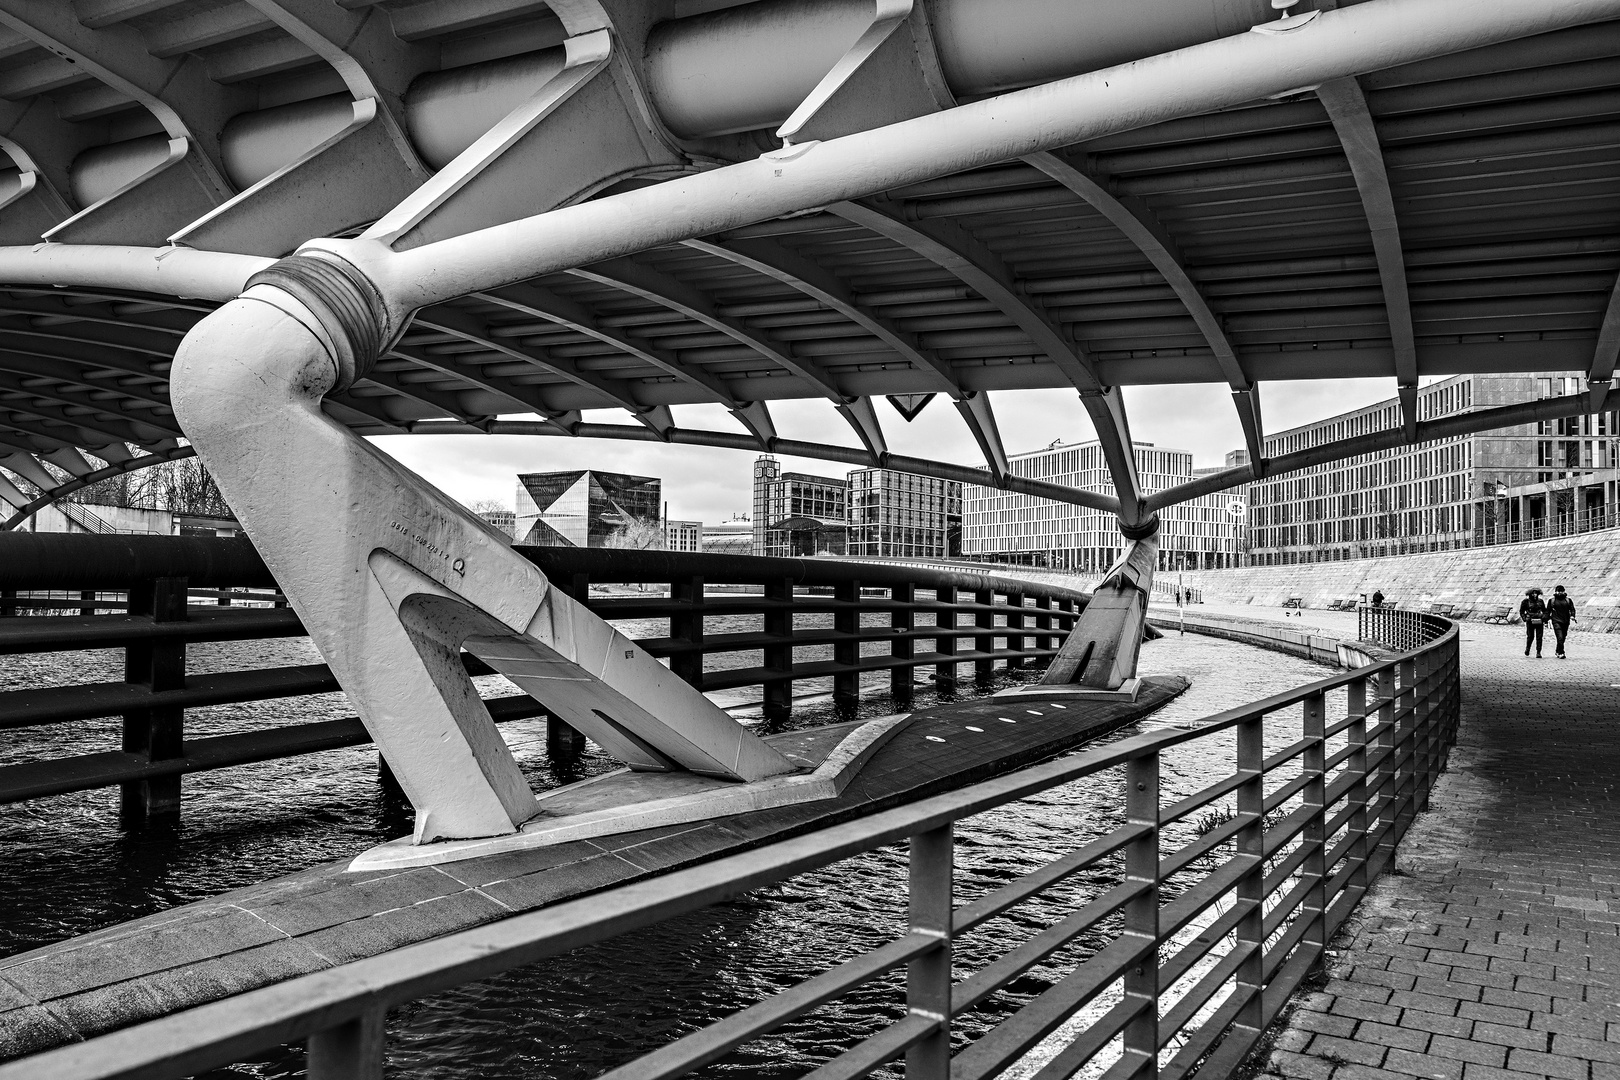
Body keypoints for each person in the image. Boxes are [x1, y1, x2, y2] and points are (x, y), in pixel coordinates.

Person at [1547, 584, 1577, 658]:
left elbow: (1572, 609)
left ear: (1564, 592)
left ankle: (1557, 651)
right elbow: (1547, 611)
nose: (1559, 593)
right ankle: (1561, 653)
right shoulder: (1552, 601)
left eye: (1561, 591)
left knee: (1563, 637)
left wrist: (1572, 616)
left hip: (1565, 621)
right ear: (1555, 592)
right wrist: (1546, 620)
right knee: (1559, 637)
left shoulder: (1568, 600)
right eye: (1558, 591)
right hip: (1556, 621)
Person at [1520, 587, 1548, 657]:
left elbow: (1544, 611)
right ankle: (1528, 648)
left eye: (1536, 593)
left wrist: (1544, 618)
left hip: (1539, 620)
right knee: (1530, 636)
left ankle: (1538, 652)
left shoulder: (1540, 601)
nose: (1534, 595)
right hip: (1530, 620)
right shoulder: (1525, 602)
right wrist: (1525, 618)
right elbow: (1521, 611)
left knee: (1539, 637)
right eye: (1533, 593)